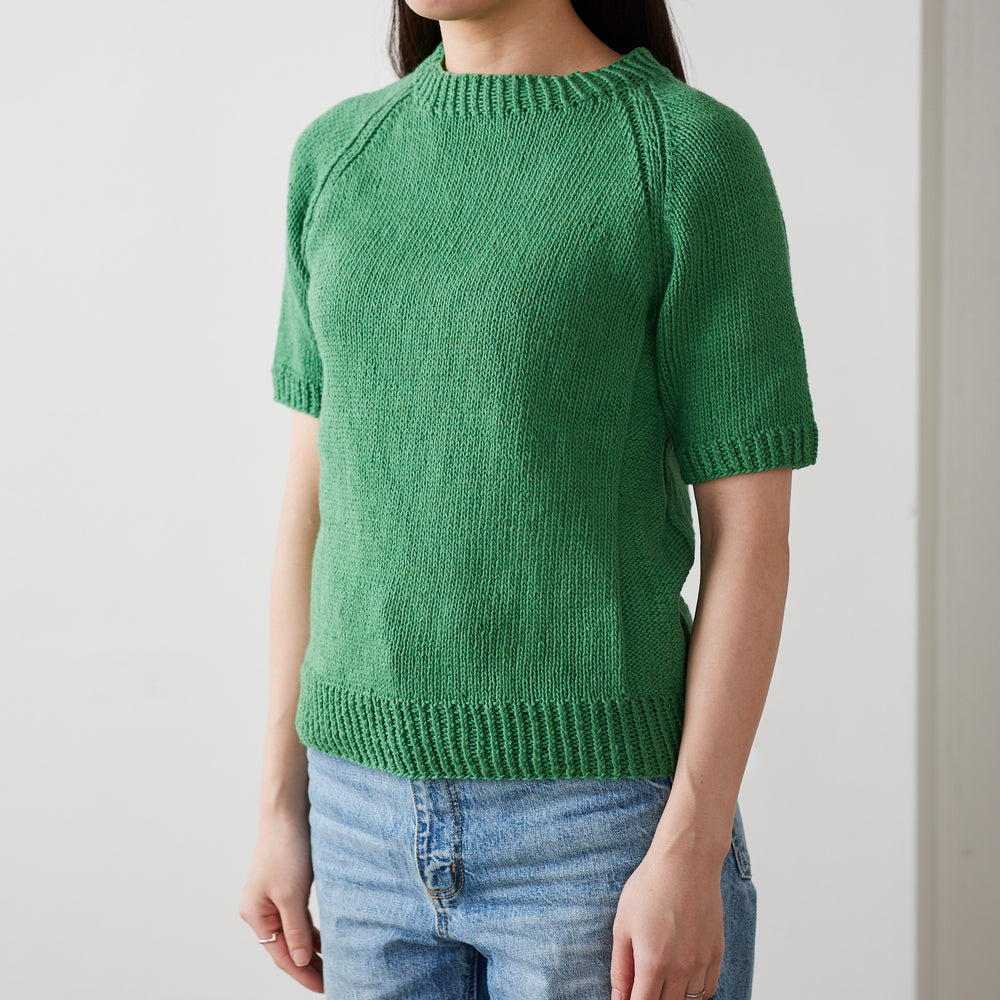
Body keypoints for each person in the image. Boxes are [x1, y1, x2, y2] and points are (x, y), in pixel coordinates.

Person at [239, 1, 819, 998]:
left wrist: (690, 847)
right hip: (357, 823)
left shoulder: (684, 157)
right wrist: (279, 807)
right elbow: (312, 512)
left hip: (600, 832)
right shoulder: (336, 157)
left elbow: (751, 540)